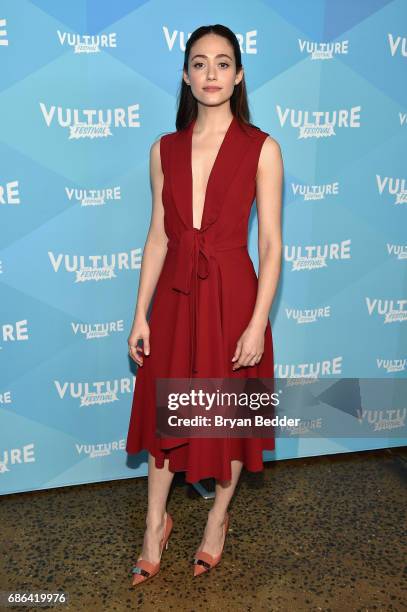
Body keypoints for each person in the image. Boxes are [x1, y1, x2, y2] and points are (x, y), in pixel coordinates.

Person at [126, 24, 283, 584]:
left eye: (222, 63)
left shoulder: (262, 148)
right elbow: (158, 238)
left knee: (230, 420)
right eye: (199, 63)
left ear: (239, 75)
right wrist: (140, 313)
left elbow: (269, 244)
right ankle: (154, 525)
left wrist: (258, 321)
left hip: (234, 299)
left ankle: (217, 520)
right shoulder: (163, 150)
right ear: (186, 75)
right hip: (174, 300)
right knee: (167, 421)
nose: (211, 74)